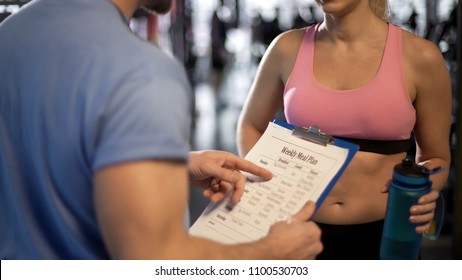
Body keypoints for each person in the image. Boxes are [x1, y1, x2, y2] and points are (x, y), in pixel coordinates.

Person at [0, 0, 323, 260]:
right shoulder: (140, 70)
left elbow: (36, 149)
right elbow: (153, 259)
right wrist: (269, 253)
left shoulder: (12, 31)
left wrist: (171, 164)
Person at [237, 0, 451, 259]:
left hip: (387, 233)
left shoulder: (421, 56)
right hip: (299, 232)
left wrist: (424, 189)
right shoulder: (286, 48)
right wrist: (264, 185)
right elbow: (250, 125)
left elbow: (435, 156)